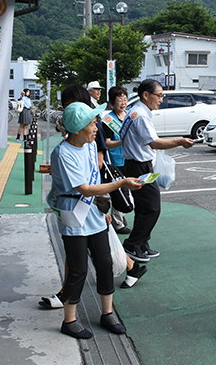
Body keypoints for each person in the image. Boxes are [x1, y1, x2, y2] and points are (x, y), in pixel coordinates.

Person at [46, 101, 144, 339]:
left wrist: (105, 206)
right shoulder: (62, 153)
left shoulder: (89, 146)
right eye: (92, 123)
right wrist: (121, 183)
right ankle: (69, 320)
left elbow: (96, 180)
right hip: (75, 215)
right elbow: (84, 188)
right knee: (78, 270)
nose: (96, 126)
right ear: (78, 128)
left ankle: (107, 313)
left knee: (104, 263)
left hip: (95, 213)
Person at [120, 79, 195, 262]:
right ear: (146, 95)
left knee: (144, 207)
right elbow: (153, 142)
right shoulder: (141, 115)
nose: (161, 99)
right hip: (139, 166)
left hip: (136, 164)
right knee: (152, 208)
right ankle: (132, 245)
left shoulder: (136, 111)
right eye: (159, 95)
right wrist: (179, 141)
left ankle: (141, 244)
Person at [102, 86, 132, 235]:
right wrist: (122, 141)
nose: (123, 103)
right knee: (121, 191)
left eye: (125, 99)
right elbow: (107, 143)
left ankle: (120, 215)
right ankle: (118, 223)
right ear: (112, 102)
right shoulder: (108, 120)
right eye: (119, 100)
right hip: (116, 160)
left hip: (130, 158)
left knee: (128, 190)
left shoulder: (128, 116)